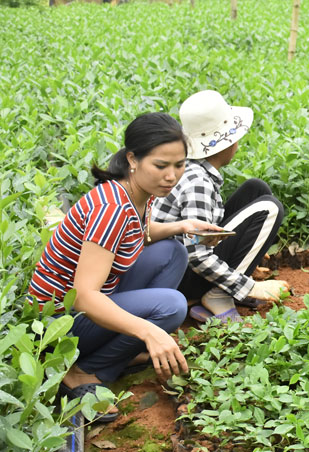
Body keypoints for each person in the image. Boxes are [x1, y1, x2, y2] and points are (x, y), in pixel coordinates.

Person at [30, 113, 222, 422]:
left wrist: (184, 225)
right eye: (161, 166)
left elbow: (142, 233)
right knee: (172, 307)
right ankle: (82, 372)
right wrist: (149, 331)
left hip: (90, 304)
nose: (172, 176)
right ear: (132, 159)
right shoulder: (111, 210)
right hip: (58, 326)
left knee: (173, 252)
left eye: (180, 164)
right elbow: (82, 296)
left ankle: (124, 348)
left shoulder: (134, 193)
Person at [152, 90, 288, 324]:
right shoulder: (197, 181)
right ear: (227, 142)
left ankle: (229, 282)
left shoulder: (193, 169)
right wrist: (250, 287)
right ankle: (219, 293)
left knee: (256, 189)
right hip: (181, 278)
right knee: (269, 208)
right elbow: (196, 254)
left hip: (180, 265)